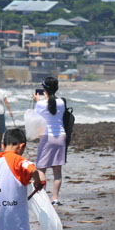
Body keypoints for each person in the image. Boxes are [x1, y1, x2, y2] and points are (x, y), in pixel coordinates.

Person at [34, 77, 67, 205]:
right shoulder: (62, 102)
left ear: (44, 89)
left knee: (41, 169)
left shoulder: (41, 104)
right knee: (57, 171)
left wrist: (37, 101)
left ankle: (43, 198)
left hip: (47, 137)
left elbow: (36, 119)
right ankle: (55, 198)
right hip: (61, 136)